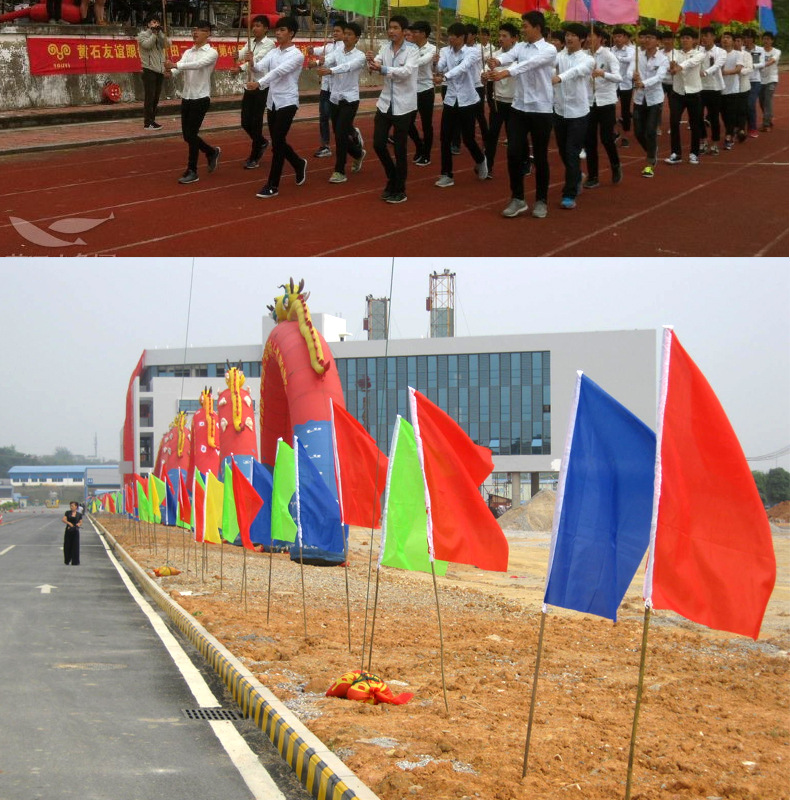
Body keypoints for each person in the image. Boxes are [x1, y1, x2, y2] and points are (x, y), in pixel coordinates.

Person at [485, 10, 557, 220]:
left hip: (541, 109)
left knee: (541, 156)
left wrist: (506, 71)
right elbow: (509, 56)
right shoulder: (521, 47)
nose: (523, 29)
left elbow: (528, 64)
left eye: (525, 26)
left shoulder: (549, 49)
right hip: (519, 107)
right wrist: (497, 61)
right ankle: (518, 198)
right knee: (513, 153)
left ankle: (542, 200)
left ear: (537, 27)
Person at [247, 16, 308, 198]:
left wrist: (259, 83)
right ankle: (298, 163)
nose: (278, 33)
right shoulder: (274, 52)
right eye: (277, 30)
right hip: (272, 102)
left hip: (287, 102)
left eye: (282, 30)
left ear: (291, 33)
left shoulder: (297, 55)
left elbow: (278, 72)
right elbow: (260, 68)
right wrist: (251, 62)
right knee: (278, 140)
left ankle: (273, 185)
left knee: (278, 143)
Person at [367, 15, 419, 204]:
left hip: (404, 105)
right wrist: (371, 62)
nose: (391, 31)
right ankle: (393, 176)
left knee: (399, 147)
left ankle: (400, 188)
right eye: (390, 27)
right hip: (385, 102)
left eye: (395, 27)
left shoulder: (413, 51)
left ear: (404, 31)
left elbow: (406, 73)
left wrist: (382, 69)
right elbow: (377, 63)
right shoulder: (384, 47)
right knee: (378, 144)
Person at [433, 22, 489, 189]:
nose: (450, 38)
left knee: (468, 138)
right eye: (449, 35)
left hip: (468, 100)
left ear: (462, 37)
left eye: (454, 36)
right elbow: (440, 67)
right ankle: (446, 173)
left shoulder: (473, 52)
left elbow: (462, 68)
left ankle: (480, 159)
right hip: (451, 99)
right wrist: (436, 64)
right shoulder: (445, 51)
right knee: (445, 138)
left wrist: (443, 77)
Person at [165, 20, 221, 185]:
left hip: (201, 97)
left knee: (190, 134)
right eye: (194, 29)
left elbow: (197, 65)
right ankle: (211, 152)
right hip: (187, 96)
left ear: (208, 33)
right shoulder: (188, 52)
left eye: (200, 30)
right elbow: (179, 69)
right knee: (187, 136)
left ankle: (192, 170)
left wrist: (176, 65)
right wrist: (170, 71)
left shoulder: (212, 53)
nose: (195, 33)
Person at [318, 20, 367, 183]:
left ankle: (339, 171)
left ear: (357, 38)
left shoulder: (360, 56)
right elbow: (328, 59)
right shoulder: (337, 51)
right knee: (338, 133)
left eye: (349, 34)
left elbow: (347, 66)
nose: (345, 37)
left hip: (350, 99)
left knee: (340, 134)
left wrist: (330, 70)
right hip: (335, 98)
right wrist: (317, 62)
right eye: (344, 33)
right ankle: (358, 153)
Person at [551, 23, 594, 210]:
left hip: (578, 112)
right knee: (563, 151)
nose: (569, 38)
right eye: (567, 34)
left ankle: (569, 193)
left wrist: (559, 77)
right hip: (559, 110)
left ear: (582, 39)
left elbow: (576, 71)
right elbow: (543, 65)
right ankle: (577, 175)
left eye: (573, 35)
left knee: (571, 151)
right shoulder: (557, 56)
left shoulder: (588, 59)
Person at [233, 15, 275, 169]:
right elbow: (243, 53)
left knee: (256, 121)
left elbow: (259, 60)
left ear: (265, 29)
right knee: (245, 122)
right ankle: (262, 141)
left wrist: (241, 67)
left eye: (258, 25)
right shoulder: (250, 41)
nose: (255, 28)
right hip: (249, 85)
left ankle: (255, 155)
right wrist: (237, 55)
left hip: (261, 86)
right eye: (254, 25)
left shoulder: (269, 44)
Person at [584, 25, 622, 188]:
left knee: (606, 138)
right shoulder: (584, 56)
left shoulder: (608, 55)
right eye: (587, 36)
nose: (588, 39)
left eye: (592, 36)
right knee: (589, 140)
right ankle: (593, 176)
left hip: (605, 102)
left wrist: (603, 74)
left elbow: (619, 77)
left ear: (601, 38)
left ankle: (615, 165)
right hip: (588, 102)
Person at [630, 27, 668, 178]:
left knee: (650, 131)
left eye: (651, 37)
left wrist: (643, 83)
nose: (646, 40)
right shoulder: (638, 55)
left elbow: (659, 77)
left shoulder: (663, 59)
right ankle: (652, 150)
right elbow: (630, 71)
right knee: (638, 132)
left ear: (658, 41)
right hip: (639, 98)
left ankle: (650, 162)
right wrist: (633, 76)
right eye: (645, 37)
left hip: (654, 100)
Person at [664, 26, 704, 165]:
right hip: (677, 92)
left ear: (694, 41)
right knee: (674, 122)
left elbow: (690, 63)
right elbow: (670, 66)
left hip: (694, 93)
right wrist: (671, 67)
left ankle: (694, 153)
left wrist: (678, 67)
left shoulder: (699, 54)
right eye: (682, 38)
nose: (684, 40)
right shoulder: (674, 53)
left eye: (687, 38)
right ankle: (676, 153)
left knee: (695, 124)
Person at [484, 21, 519, 180]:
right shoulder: (494, 55)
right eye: (499, 35)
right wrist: (484, 75)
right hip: (497, 102)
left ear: (514, 39)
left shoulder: (520, 56)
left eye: (505, 36)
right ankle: (487, 166)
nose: (500, 38)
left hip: (515, 102)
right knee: (492, 135)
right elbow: (484, 73)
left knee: (514, 138)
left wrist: (503, 72)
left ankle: (521, 163)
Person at [309, 21, 344, 158]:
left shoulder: (343, 48)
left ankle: (352, 133)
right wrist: (312, 50)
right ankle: (325, 145)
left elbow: (330, 59)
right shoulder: (329, 46)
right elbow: (318, 51)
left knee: (338, 119)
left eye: (338, 31)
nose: (335, 33)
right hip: (325, 87)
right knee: (323, 116)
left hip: (338, 88)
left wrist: (318, 62)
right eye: (334, 31)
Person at [406, 21, 437, 167]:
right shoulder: (409, 47)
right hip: (411, 89)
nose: (412, 34)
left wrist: (405, 64)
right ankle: (419, 145)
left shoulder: (432, 49)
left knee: (426, 124)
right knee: (407, 122)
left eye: (416, 32)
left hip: (426, 89)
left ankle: (426, 154)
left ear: (424, 34)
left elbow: (421, 62)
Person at [138, 15, 170, 131]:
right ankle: (148, 122)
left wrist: (160, 33)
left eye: (157, 22)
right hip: (149, 69)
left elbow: (167, 44)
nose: (156, 24)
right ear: (148, 24)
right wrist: (154, 34)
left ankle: (153, 120)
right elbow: (147, 45)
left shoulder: (159, 34)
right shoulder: (142, 35)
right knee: (149, 97)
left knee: (156, 98)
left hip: (159, 69)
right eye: (153, 22)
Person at [698, 26, 725, 156]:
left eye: (707, 35)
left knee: (714, 117)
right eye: (703, 35)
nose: (704, 38)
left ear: (713, 37)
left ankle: (714, 143)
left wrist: (706, 72)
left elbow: (718, 65)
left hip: (714, 88)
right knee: (698, 116)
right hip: (699, 88)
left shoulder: (720, 52)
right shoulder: (698, 50)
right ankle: (702, 141)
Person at [720, 31, 744, 151]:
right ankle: (733, 129)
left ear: (733, 41)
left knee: (730, 113)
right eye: (723, 37)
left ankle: (728, 136)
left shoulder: (737, 54)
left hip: (733, 89)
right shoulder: (718, 53)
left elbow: (738, 69)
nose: (725, 40)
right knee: (723, 115)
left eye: (728, 38)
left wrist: (725, 73)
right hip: (719, 88)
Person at [611, 27, 635, 147]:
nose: (617, 39)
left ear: (625, 38)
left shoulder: (631, 50)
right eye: (615, 37)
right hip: (613, 84)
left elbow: (630, 59)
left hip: (625, 84)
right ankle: (614, 132)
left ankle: (625, 136)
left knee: (625, 111)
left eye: (619, 36)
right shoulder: (611, 50)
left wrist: (616, 58)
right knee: (610, 108)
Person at [742, 29, 764, 137]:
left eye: (749, 37)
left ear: (753, 39)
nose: (747, 40)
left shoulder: (759, 49)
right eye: (745, 37)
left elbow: (762, 63)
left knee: (750, 104)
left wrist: (752, 66)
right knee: (743, 105)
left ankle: (752, 127)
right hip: (743, 80)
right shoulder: (741, 49)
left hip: (755, 80)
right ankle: (742, 126)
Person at [759, 31, 780, 132]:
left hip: (771, 79)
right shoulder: (759, 50)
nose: (766, 41)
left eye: (768, 39)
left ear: (772, 41)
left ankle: (766, 123)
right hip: (760, 79)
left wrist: (762, 65)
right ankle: (769, 117)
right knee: (762, 101)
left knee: (768, 100)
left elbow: (772, 61)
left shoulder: (777, 51)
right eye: (764, 39)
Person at [62, 501, 82, 566]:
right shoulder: (67, 513)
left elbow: (80, 522)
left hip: (75, 531)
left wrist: (78, 524)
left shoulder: (79, 514)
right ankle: (67, 560)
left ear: (76, 506)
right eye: (70, 506)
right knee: (67, 545)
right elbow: (64, 519)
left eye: (73, 506)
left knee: (75, 546)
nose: (71, 507)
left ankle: (75, 561)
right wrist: (69, 523)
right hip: (68, 531)